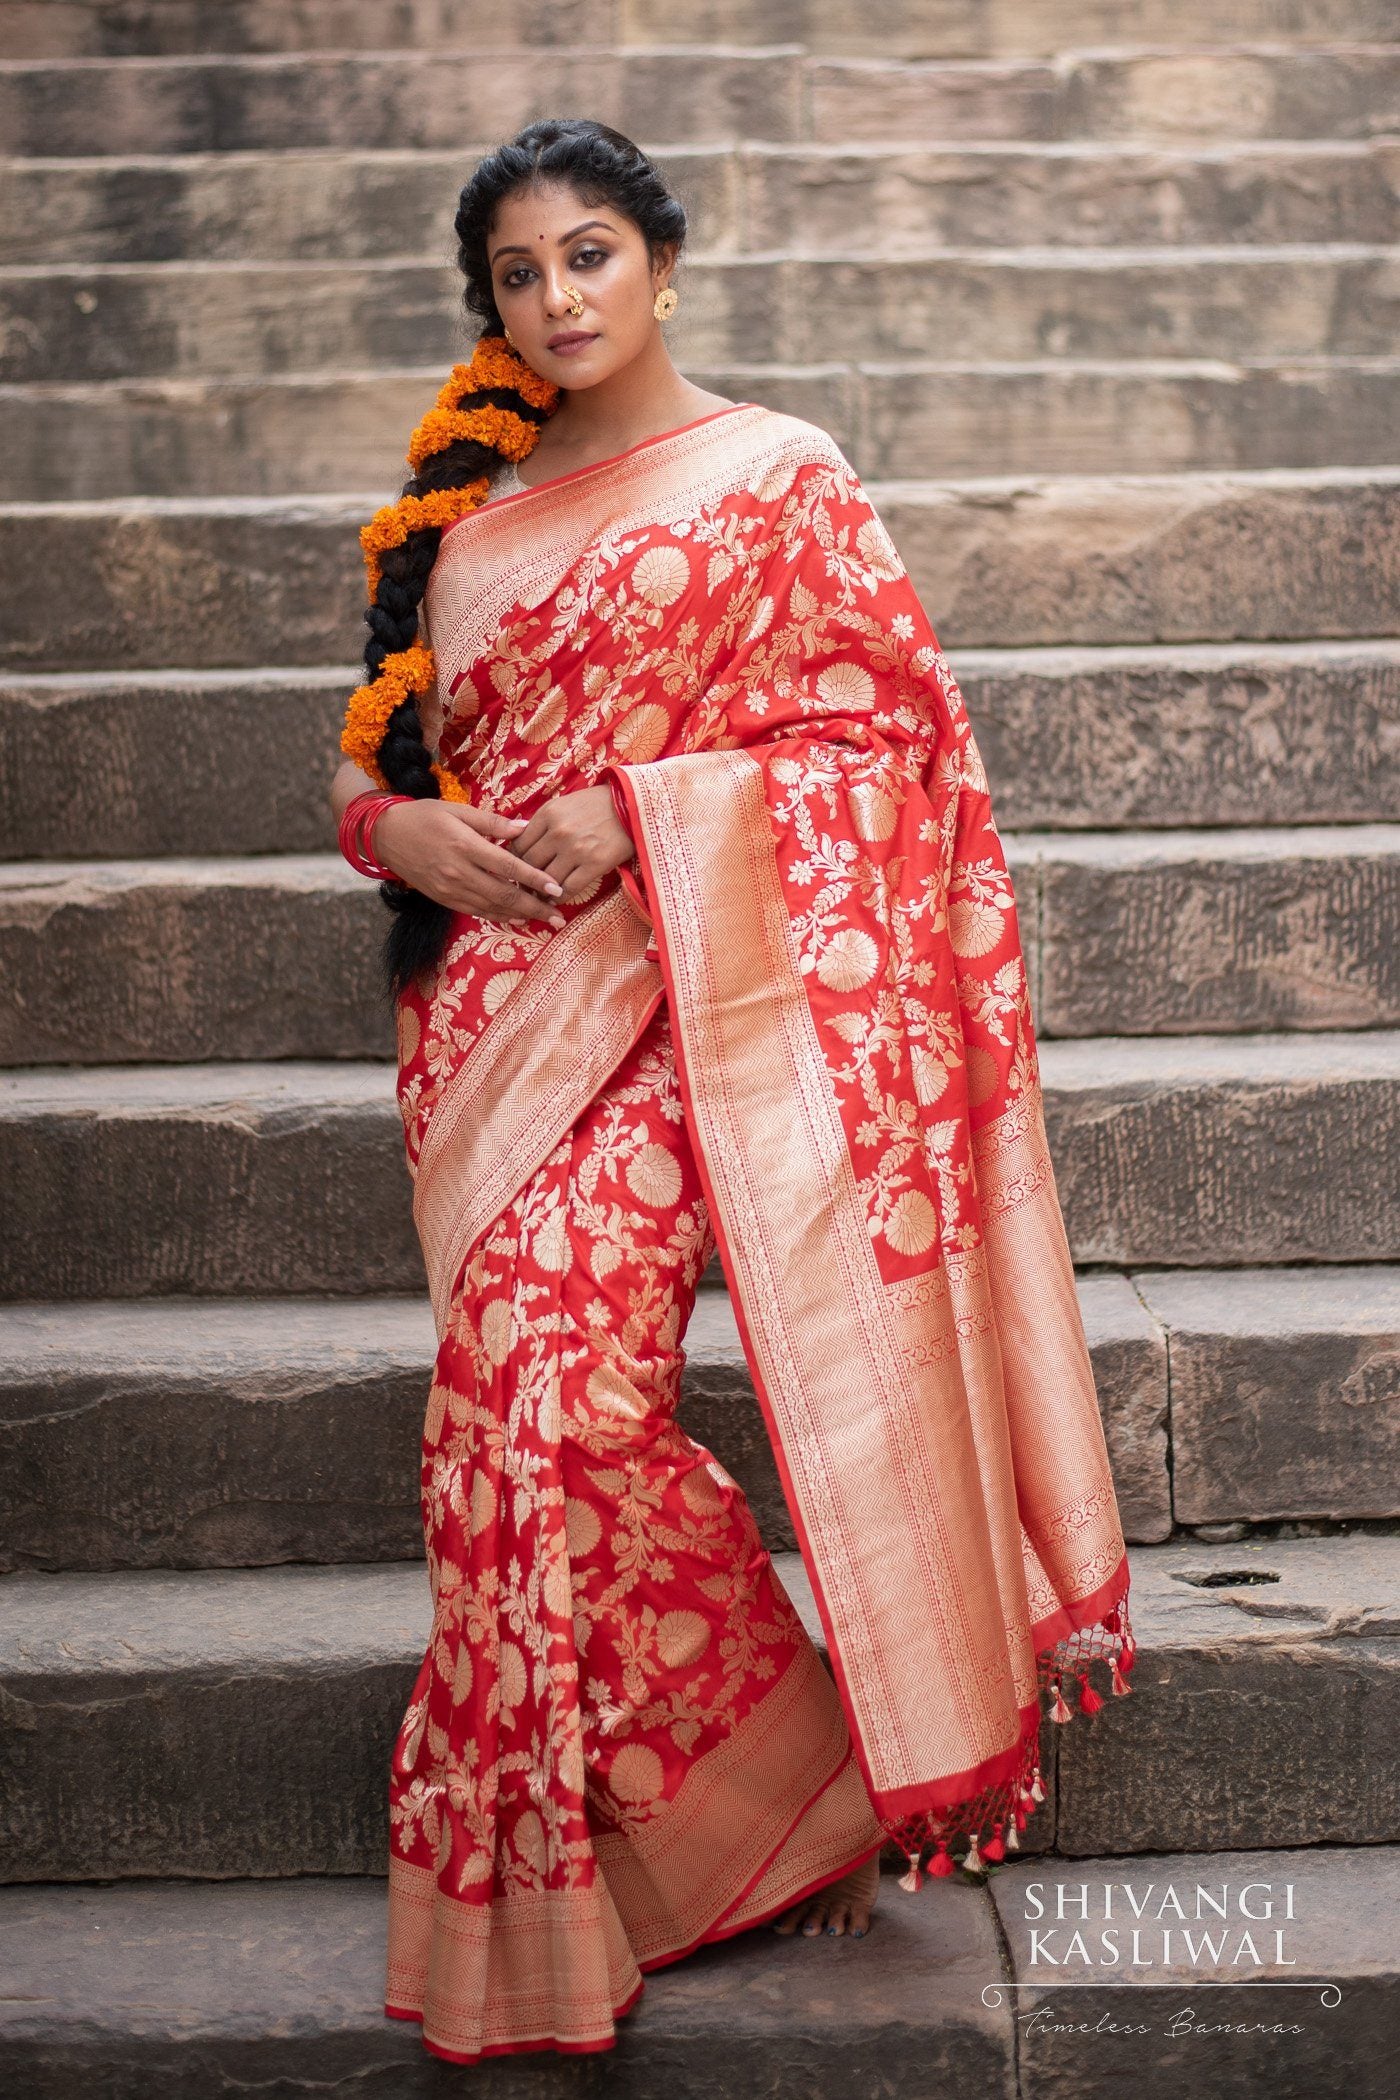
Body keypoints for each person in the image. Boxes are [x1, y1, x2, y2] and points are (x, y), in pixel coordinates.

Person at [328, 117, 1136, 2068]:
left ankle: (758, 1806)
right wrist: (390, 836)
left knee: (550, 1391)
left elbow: (895, 760)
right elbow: (380, 760)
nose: (559, 299)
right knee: (509, 1427)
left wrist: (655, 811)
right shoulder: (463, 518)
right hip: (502, 1037)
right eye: (520, 276)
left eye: (590, 256)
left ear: (663, 263)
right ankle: (738, 1812)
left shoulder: (779, 477)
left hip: (711, 1013)